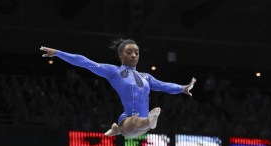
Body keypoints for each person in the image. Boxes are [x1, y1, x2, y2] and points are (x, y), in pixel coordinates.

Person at [40, 39, 196, 137]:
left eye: (137, 52)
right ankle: (135, 124)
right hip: (129, 119)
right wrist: (57, 53)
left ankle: (122, 128)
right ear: (120, 55)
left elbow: (163, 85)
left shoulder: (146, 77)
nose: (134, 55)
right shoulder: (114, 71)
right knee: (135, 121)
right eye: (129, 52)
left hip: (141, 125)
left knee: (138, 123)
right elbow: (85, 62)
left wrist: (182, 88)